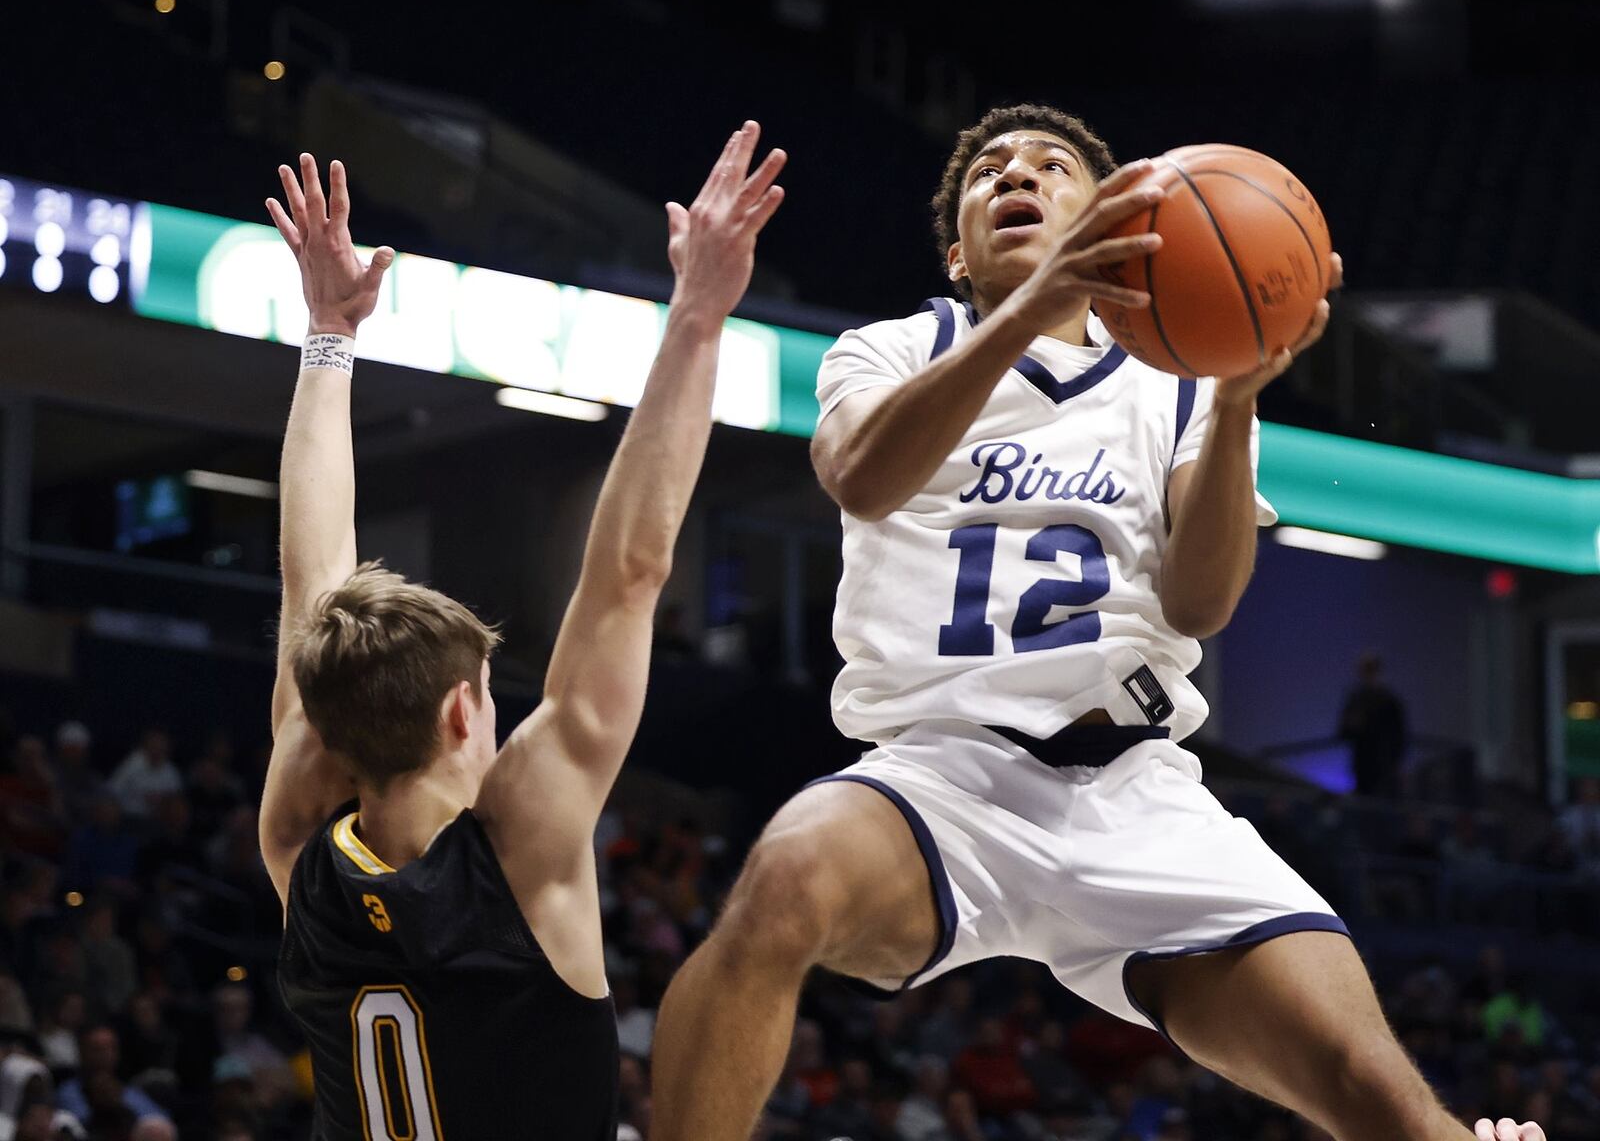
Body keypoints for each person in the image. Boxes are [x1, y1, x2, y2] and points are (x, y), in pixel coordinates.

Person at [650, 103, 1542, 1141]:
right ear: (957, 252)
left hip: (1136, 793)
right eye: (989, 173)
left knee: (1373, 1086)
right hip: (942, 779)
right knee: (784, 879)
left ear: (1121, 222)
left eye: (1051, 166)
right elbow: (858, 475)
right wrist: (1031, 307)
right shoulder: (887, 351)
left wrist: (1240, 395)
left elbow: (1200, 604)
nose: (1014, 175)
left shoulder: (1178, 389)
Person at [259, 126, 785, 1138]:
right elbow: (630, 577)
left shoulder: (301, 846)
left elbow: (308, 580)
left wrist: (328, 333)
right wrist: (697, 317)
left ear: (322, 721)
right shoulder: (525, 848)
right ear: (464, 710)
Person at [1338, 652, 1407, 797]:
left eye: (1371, 669)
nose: (1368, 674)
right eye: (1366, 669)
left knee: (1380, 805)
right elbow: (1343, 731)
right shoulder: (1356, 699)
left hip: (1383, 764)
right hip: (1363, 764)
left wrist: (1395, 762)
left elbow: (1399, 734)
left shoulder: (1388, 700)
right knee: (1367, 805)